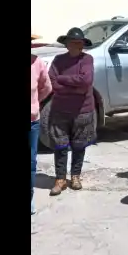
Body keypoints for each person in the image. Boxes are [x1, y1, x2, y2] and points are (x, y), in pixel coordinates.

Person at [47, 27, 96, 196]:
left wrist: (63, 80)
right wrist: (73, 86)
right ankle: (60, 179)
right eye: (73, 42)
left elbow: (86, 81)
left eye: (80, 43)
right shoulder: (58, 60)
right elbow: (52, 82)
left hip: (82, 111)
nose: (77, 45)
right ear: (67, 44)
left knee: (79, 145)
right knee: (60, 146)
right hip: (60, 110)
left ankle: (75, 176)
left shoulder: (87, 60)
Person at [31, 35, 52, 216]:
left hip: (32, 121)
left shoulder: (37, 63)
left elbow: (46, 87)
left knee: (31, 163)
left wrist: (35, 103)